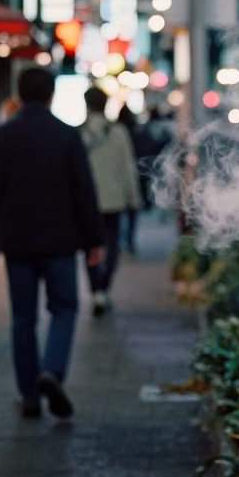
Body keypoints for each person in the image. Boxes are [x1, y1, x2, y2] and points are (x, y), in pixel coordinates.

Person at [0, 67, 104, 419]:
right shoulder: (65, 135)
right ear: (50, 95)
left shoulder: (0, 137)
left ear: (19, 95)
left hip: (16, 241)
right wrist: (94, 239)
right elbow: (84, 191)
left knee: (22, 319)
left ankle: (29, 396)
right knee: (64, 309)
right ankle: (52, 370)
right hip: (61, 240)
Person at [80, 86, 141, 314]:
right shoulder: (118, 133)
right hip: (114, 199)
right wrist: (133, 197)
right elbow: (127, 168)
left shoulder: (79, 133)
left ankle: (95, 290)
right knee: (112, 244)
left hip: (88, 201)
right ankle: (105, 286)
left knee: (90, 246)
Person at [117, 104, 163, 253]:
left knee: (118, 215)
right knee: (131, 213)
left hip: (117, 179)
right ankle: (129, 240)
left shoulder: (115, 133)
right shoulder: (138, 132)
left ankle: (120, 241)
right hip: (136, 176)